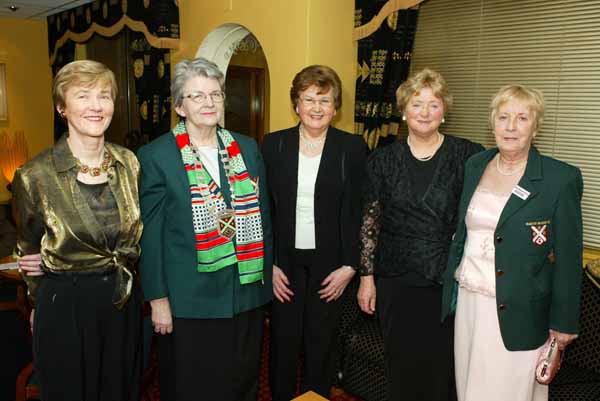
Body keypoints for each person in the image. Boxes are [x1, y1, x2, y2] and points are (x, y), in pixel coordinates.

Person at [137, 57, 272, 401]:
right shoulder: (157, 156)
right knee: (192, 386)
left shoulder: (247, 147)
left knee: (241, 383)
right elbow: (150, 236)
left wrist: (266, 277)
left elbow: (263, 217)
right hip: (189, 299)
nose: (208, 103)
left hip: (244, 293)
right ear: (180, 106)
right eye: (196, 96)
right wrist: (158, 299)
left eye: (215, 94)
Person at [441, 84, 583, 401]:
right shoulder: (476, 165)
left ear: (536, 125)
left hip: (520, 309)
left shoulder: (560, 179)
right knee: (469, 386)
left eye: (522, 118)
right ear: (492, 122)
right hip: (469, 300)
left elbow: (568, 259)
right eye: (503, 117)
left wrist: (563, 325)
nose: (511, 126)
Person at [13, 60, 143, 401]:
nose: (96, 106)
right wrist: (37, 296)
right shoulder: (34, 174)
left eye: (104, 95)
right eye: (83, 96)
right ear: (62, 107)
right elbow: (28, 243)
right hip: (64, 303)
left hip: (121, 298)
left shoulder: (129, 162)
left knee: (120, 389)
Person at [357, 68, 483, 401]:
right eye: (417, 104)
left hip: (447, 281)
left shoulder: (469, 155)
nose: (424, 112)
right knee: (401, 366)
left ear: (444, 111)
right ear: (403, 110)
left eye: (433, 104)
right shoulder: (382, 159)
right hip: (395, 281)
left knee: (443, 369)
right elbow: (370, 222)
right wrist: (366, 278)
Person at [262, 65, 367, 400]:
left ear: (335, 107)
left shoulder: (352, 148)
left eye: (325, 100)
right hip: (284, 264)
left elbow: (359, 211)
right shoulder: (272, 145)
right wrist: (269, 263)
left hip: (330, 265)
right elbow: (263, 209)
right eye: (309, 99)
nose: (317, 107)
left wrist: (350, 266)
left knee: (321, 347)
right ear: (296, 104)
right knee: (282, 344)